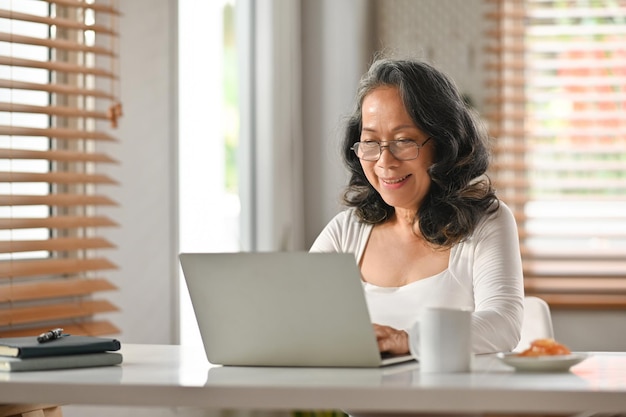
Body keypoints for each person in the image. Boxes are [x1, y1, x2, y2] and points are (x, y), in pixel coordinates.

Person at [309, 58, 524, 359]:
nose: (385, 162)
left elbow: (504, 324)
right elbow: (297, 319)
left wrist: (410, 341)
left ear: (443, 144)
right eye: (371, 142)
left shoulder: (487, 222)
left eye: (403, 140)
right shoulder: (346, 231)